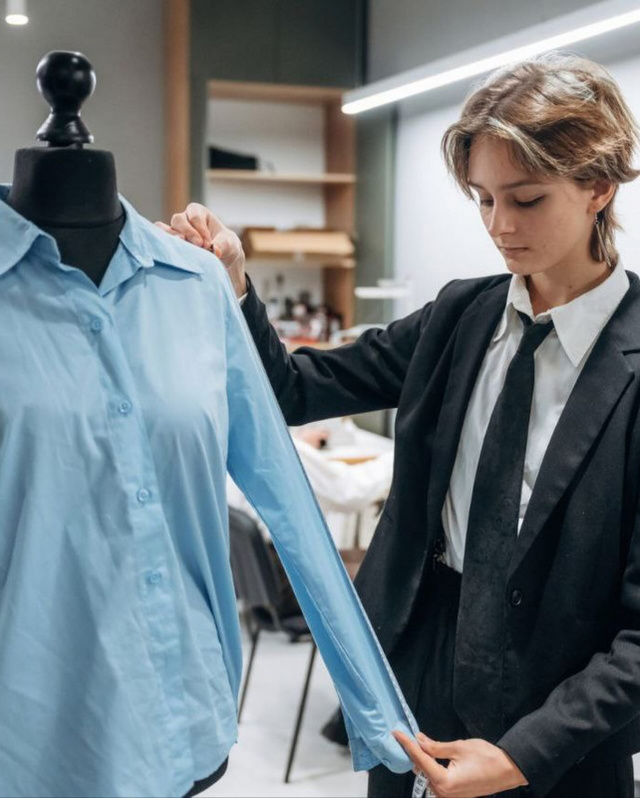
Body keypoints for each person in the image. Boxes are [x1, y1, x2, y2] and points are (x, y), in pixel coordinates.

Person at [158, 53, 640, 798]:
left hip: (559, 724)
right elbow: (292, 388)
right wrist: (236, 284)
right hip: (414, 685)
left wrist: (522, 757)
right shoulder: (460, 317)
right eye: (483, 199)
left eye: (526, 199)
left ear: (599, 186)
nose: (499, 226)